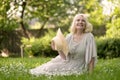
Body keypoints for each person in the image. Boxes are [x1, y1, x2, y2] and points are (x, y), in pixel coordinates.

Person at [30, 13, 97, 76]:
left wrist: (90, 74)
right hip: (67, 61)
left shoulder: (89, 37)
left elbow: (92, 57)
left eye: (83, 21)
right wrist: (58, 48)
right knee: (47, 67)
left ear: (86, 24)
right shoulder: (69, 36)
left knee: (51, 69)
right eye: (78, 20)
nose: (80, 22)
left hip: (78, 65)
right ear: (74, 23)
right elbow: (64, 57)